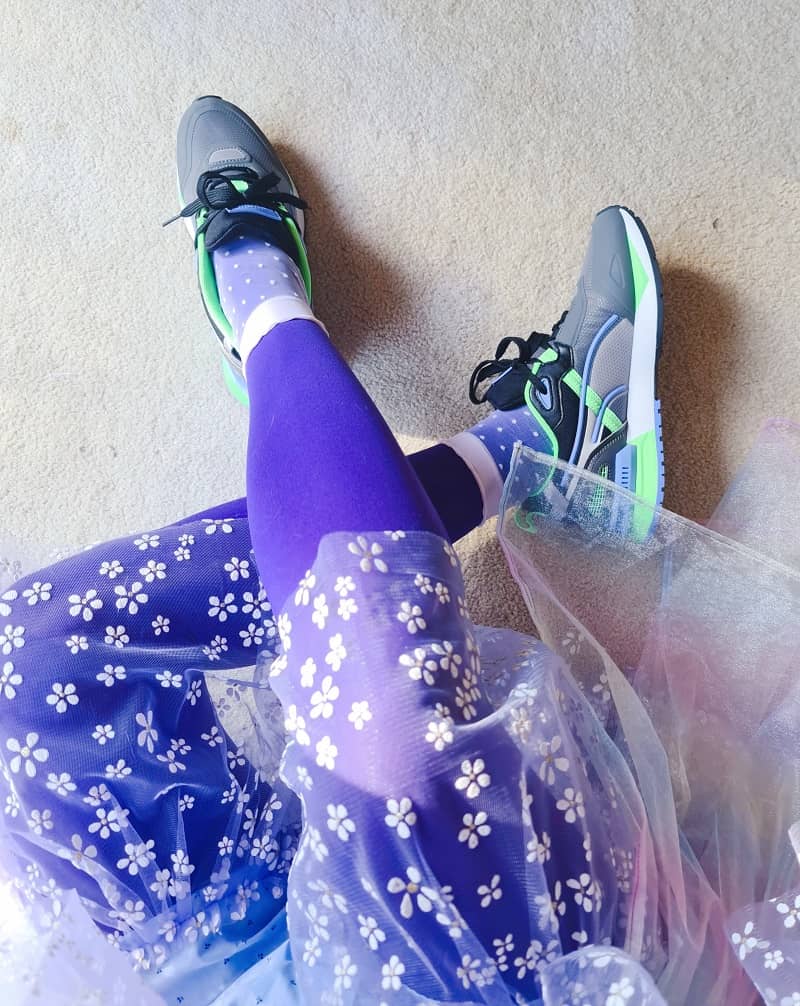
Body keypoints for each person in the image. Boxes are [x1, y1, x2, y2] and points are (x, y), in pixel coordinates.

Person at [0, 96, 796, 1006]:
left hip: (228, 964)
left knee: (28, 670)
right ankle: (291, 314)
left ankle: (474, 441)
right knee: (393, 737)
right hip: (466, 978)